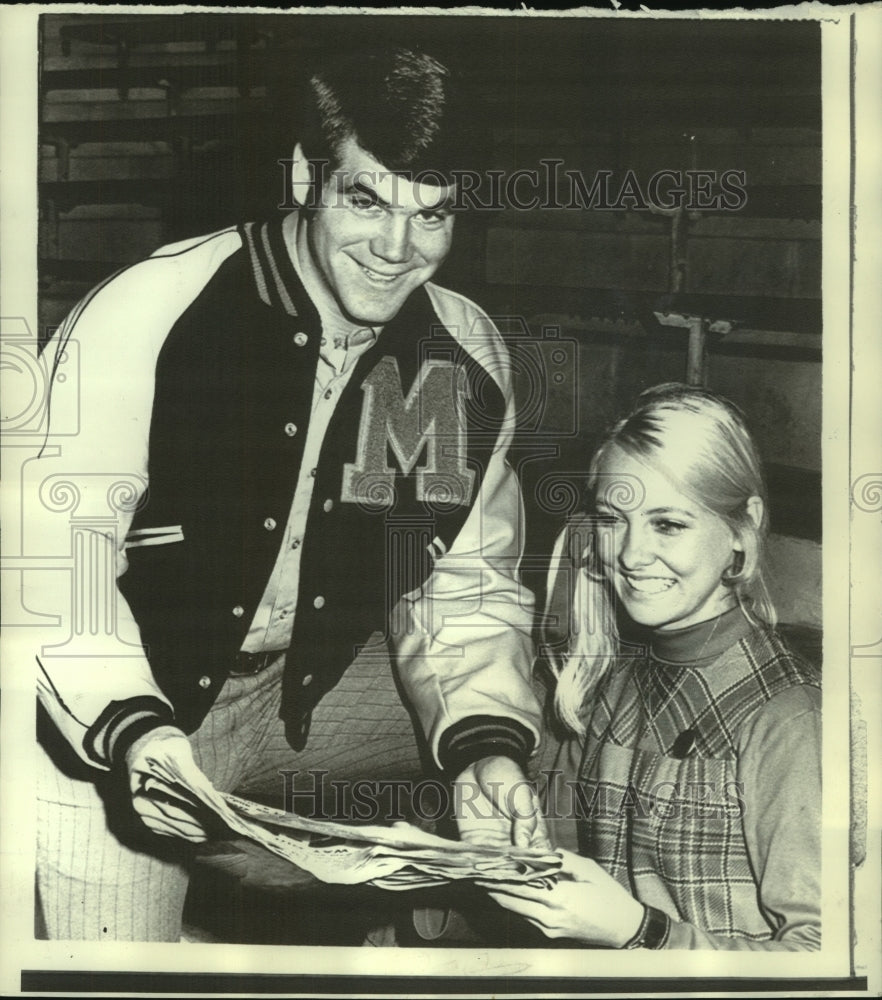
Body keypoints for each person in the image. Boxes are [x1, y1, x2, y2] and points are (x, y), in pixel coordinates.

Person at [33, 46, 546, 942]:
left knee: (542, 757)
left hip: (297, 693)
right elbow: (49, 571)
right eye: (366, 200)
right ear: (308, 174)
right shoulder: (151, 312)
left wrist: (486, 749)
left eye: (432, 215)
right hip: (117, 701)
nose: (397, 250)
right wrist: (132, 732)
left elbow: (458, 589)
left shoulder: (451, 355)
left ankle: (425, 931)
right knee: (117, 965)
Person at [483, 383, 821, 950]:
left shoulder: (788, 718)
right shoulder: (608, 681)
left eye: (668, 523)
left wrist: (642, 933)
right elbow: (551, 859)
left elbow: (822, 958)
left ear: (741, 530)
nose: (632, 556)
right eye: (614, 520)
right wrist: (445, 863)